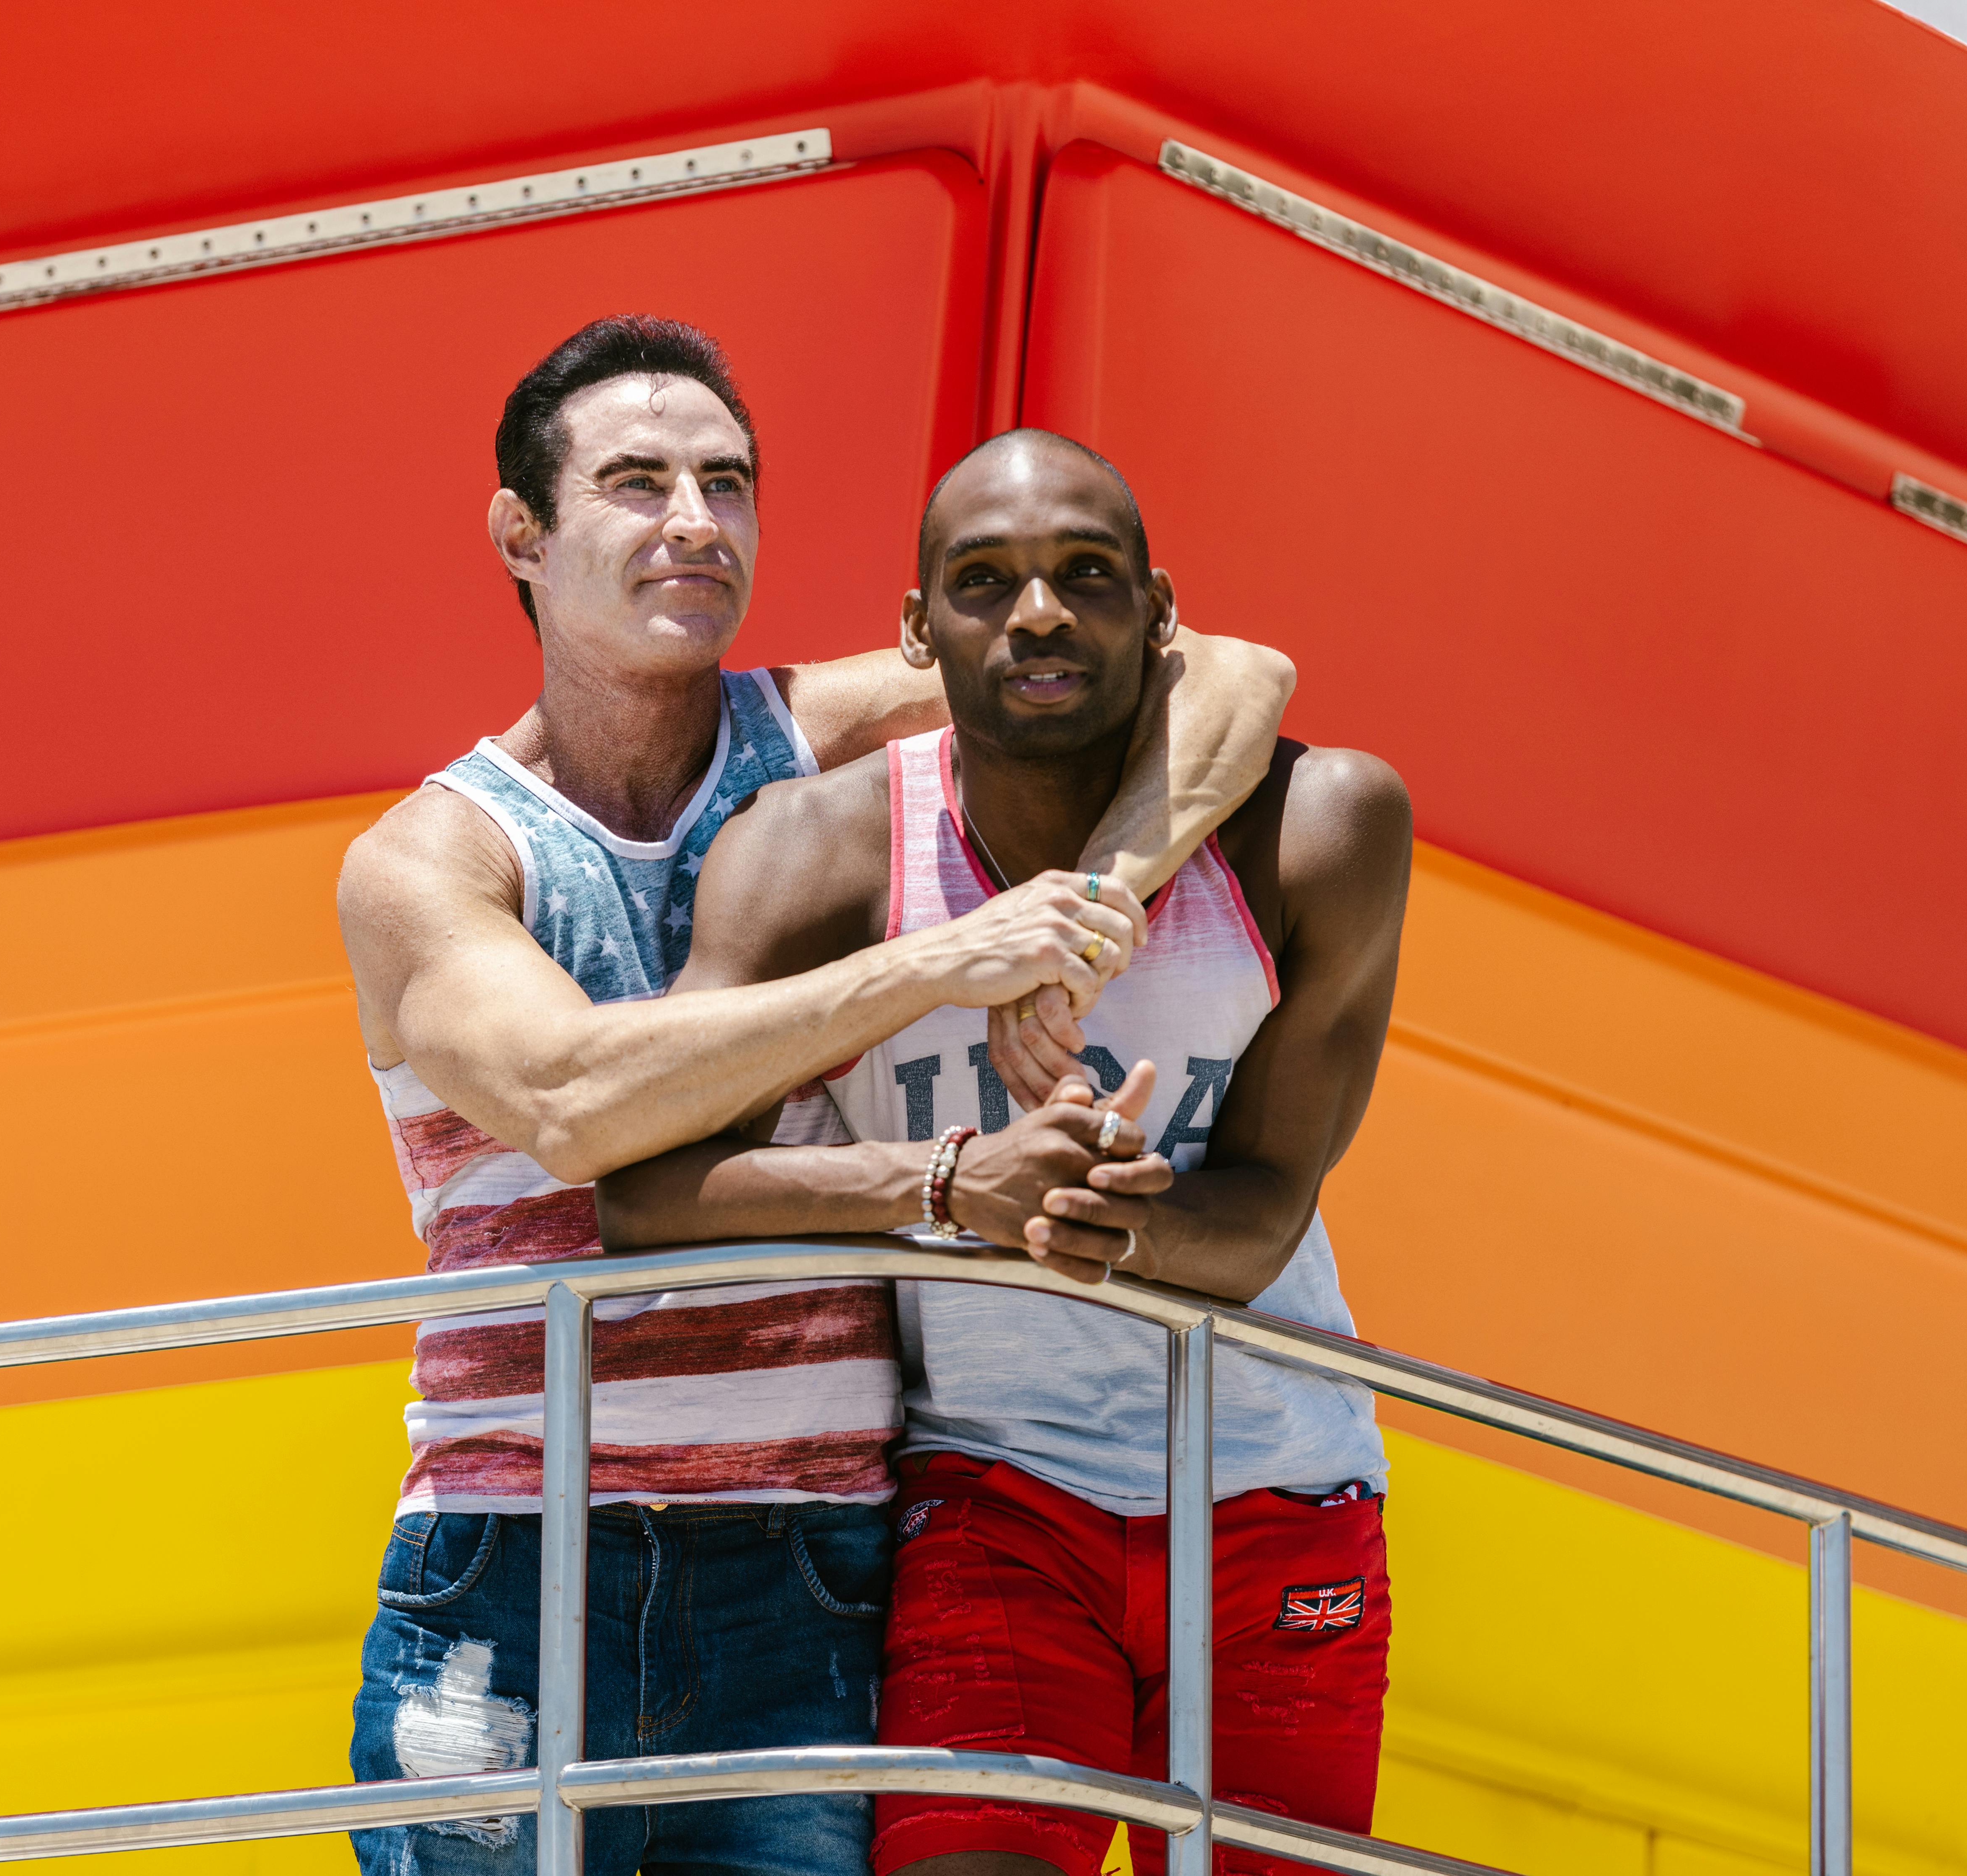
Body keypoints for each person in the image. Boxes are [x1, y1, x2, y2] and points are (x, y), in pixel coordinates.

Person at [338, 318, 1298, 1876]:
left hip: (814, 1560)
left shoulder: (814, 732)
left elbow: (1235, 672)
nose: (693, 523)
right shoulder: (433, 862)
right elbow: (581, 1114)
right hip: (513, 1569)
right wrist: (945, 963)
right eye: (636, 484)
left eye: (728, 482)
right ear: (522, 532)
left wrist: (1090, 916)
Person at [596, 427, 1412, 1876]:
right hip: (995, 1506)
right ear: (921, 632)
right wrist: (955, 1184)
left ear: (1161, 615)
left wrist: (1111, 1218)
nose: (1039, 614)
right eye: (986, 582)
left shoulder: (1318, 826)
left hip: (1284, 1503)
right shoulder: (822, 857)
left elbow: (1269, 1211)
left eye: (1086, 576)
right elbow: (645, 1190)